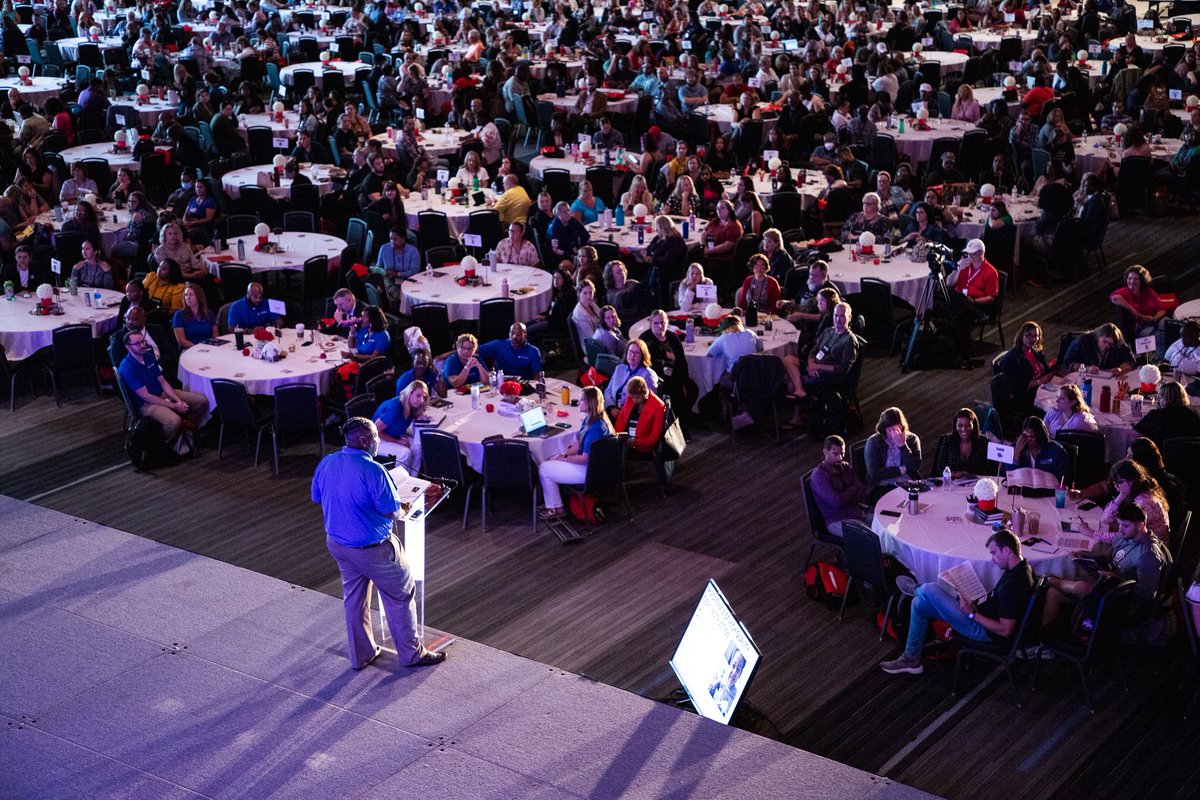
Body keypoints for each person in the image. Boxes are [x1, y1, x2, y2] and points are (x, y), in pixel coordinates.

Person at [311, 417, 446, 670]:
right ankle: (411, 654)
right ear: (364, 440)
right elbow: (390, 511)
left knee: (355, 599)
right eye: (376, 437)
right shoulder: (374, 471)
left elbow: (317, 496)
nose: (378, 442)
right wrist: (405, 507)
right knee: (400, 595)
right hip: (373, 550)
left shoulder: (327, 462)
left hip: (338, 545)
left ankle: (361, 655)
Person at [881, 530, 1034, 675]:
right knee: (918, 604)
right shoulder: (1023, 569)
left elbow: (1005, 630)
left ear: (1006, 550)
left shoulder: (1012, 586)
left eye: (994, 553)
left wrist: (972, 614)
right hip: (980, 615)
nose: (992, 559)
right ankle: (911, 659)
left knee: (930, 590)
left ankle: (915, 589)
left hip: (983, 631)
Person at [1040, 502, 1170, 644]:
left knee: (1081, 587)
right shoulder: (1125, 536)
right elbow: (1108, 557)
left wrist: (1116, 580)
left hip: (1120, 599)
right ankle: (1045, 642)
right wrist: (1086, 556)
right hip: (1106, 584)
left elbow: (1147, 593)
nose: (1120, 530)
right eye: (1120, 525)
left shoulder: (1148, 555)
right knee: (1053, 594)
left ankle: (1048, 580)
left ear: (1140, 525)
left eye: (1125, 526)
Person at [118, 330, 209, 442]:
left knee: (202, 402)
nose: (142, 345)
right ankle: (163, 445)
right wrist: (174, 406)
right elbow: (146, 396)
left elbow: (163, 382)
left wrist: (178, 401)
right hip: (146, 404)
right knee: (174, 422)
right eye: (137, 343)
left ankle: (186, 431)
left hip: (162, 394)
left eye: (143, 341)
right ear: (128, 347)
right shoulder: (127, 367)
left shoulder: (148, 356)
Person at [538, 386, 615, 519]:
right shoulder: (592, 419)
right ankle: (556, 500)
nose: (578, 402)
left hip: (590, 472)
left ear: (589, 403)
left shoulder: (595, 428)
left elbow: (585, 458)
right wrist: (564, 454)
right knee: (552, 458)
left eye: (581, 400)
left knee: (543, 468)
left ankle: (556, 507)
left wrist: (565, 459)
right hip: (594, 467)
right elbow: (579, 442)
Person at [1095, 459, 1172, 542]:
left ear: (1132, 481)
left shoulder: (1144, 502)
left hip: (1151, 545)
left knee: (1098, 546)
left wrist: (1093, 534)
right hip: (1144, 539)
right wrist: (1122, 495)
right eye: (1115, 483)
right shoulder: (1137, 491)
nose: (1116, 486)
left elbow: (1124, 536)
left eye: (1120, 482)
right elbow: (1105, 519)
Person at [810, 435, 868, 536]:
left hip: (857, 511)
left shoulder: (845, 466)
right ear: (825, 452)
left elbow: (862, 491)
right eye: (835, 454)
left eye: (842, 454)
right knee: (870, 538)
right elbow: (837, 502)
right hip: (838, 519)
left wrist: (846, 494)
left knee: (886, 527)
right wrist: (854, 488)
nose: (840, 458)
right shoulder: (819, 476)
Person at [998, 322, 1055, 422]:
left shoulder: (1035, 352)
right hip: (1027, 397)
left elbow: (1046, 370)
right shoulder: (1012, 359)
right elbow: (1018, 387)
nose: (1032, 339)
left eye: (1035, 336)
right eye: (1028, 335)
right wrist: (1039, 381)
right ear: (1021, 335)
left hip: (1043, 390)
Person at [864, 407, 922, 501]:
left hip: (907, 482)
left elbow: (914, 467)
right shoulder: (873, 442)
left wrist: (903, 445)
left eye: (896, 429)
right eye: (889, 430)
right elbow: (874, 473)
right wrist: (901, 470)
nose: (893, 434)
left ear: (902, 427)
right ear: (883, 429)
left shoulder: (912, 439)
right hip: (882, 485)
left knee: (917, 500)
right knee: (894, 501)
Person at [373, 380, 428, 473]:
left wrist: (419, 416)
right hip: (376, 439)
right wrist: (397, 441)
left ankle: (413, 478)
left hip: (393, 435)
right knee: (405, 453)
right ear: (409, 393)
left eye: (424, 397)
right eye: (418, 396)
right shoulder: (394, 408)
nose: (422, 401)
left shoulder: (412, 406)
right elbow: (375, 431)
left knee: (417, 447)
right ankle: (400, 480)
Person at [1134, 382, 1200, 447]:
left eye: (1160, 397)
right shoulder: (1195, 413)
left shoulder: (1157, 415)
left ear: (1168, 398)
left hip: (1160, 452)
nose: (1158, 400)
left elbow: (1135, 433)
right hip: (1191, 452)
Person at [1109, 265, 1166, 340]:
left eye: (1135, 279)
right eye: (1129, 278)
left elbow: (1162, 310)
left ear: (1142, 281)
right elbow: (1114, 298)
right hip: (1141, 328)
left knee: (1168, 324)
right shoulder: (1125, 291)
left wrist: (1154, 318)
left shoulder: (1148, 291)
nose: (1132, 281)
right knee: (1154, 334)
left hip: (1155, 321)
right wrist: (1133, 310)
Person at [604, 339, 660, 415]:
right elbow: (608, 391)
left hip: (633, 415)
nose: (632, 355)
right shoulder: (619, 368)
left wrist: (626, 413)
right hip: (613, 411)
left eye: (636, 353)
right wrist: (611, 408)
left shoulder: (649, 374)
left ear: (642, 355)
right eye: (630, 352)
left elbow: (650, 401)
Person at [613, 376, 666, 455]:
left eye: (637, 397)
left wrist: (636, 443)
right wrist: (619, 438)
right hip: (625, 444)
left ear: (645, 392)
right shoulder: (630, 398)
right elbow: (621, 420)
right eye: (632, 397)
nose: (634, 400)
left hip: (643, 449)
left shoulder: (658, 406)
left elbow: (654, 437)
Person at [934, 408, 991, 477]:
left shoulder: (983, 442)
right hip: (952, 481)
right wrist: (952, 474)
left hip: (977, 481)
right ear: (955, 426)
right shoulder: (948, 440)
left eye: (968, 426)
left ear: (974, 426)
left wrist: (967, 474)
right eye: (960, 426)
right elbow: (940, 468)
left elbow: (987, 470)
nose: (963, 429)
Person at [1062, 323, 1136, 376]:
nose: (1106, 346)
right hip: (1084, 378)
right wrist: (1087, 369)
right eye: (1104, 341)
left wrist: (1121, 369)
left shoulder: (1118, 345)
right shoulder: (1083, 342)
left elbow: (1131, 362)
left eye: (1110, 344)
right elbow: (1067, 362)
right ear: (1098, 336)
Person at [478, 323, 544, 381]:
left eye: (518, 334)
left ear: (525, 335)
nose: (514, 337)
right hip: (501, 384)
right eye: (512, 333)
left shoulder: (533, 351)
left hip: (523, 385)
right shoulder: (499, 345)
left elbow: (537, 375)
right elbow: (476, 350)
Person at [706, 315, 758, 384]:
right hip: (755, 374)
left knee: (720, 377)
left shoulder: (723, 338)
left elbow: (709, 354)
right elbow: (760, 348)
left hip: (735, 377)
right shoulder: (750, 333)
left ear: (724, 328)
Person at [172, 282, 217, 350]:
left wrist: (213, 348)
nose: (188, 297)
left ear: (199, 297)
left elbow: (215, 336)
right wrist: (198, 349)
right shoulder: (179, 315)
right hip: (189, 349)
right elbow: (181, 340)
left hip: (209, 347)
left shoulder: (208, 313)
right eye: (186, 295)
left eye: (191, 295)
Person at [571, 279, 603, 356]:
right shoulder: (579, 313)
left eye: (590, 293)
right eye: (585, 293)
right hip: (591, 345)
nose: (588, 296)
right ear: (579, 294)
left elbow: (602, 318)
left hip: (600, 336)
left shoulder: (591, 304)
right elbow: (591, 336)